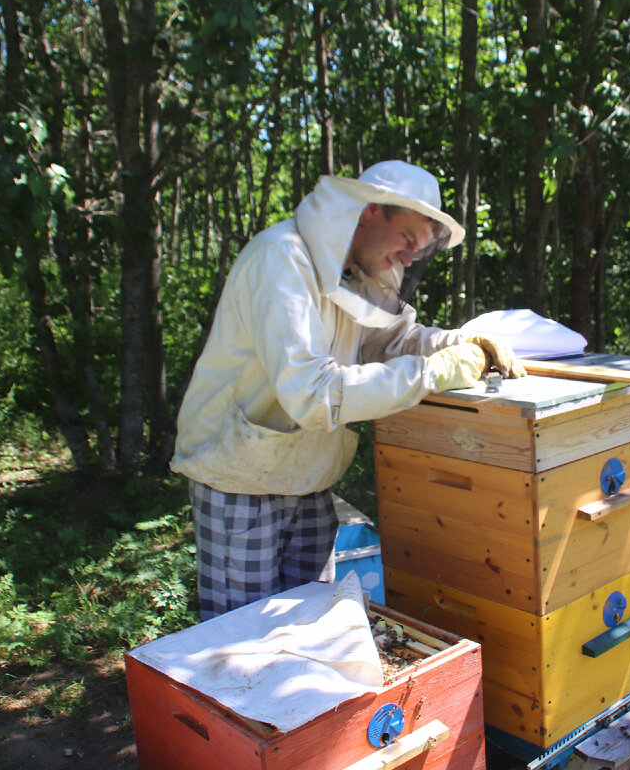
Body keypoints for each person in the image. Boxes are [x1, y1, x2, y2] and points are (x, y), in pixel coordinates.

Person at [171, 160, 524, 620]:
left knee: (308, 635)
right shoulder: (281, 259)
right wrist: (433, 372)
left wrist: (460, 341)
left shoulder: (354, 273)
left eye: (419, 248)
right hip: (240, 479)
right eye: (407, 240)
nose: (410, 257)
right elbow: (312, 393)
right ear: (369, 212)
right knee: (241, 647)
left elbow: (393, 339)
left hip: (308, 474)